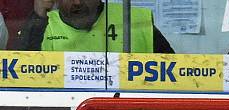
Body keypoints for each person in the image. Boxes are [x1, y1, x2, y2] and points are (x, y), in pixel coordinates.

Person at [14, 0, 173, 53]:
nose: (77, 2)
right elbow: (19, 75)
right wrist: (38, 18)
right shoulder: (42, 23)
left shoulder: (133, 19)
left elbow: (175, 74)